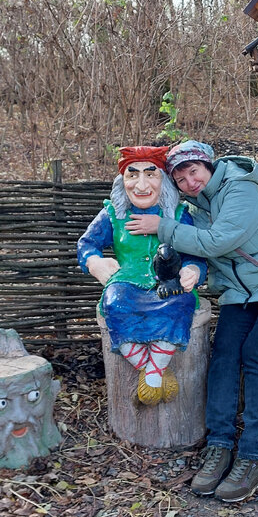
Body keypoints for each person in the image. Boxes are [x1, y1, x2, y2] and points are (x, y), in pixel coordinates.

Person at [127, 140, 258, 503]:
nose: (189, 182)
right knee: (222, 357)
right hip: (240, 293)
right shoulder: (197, 206)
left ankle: (253, 458)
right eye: (180, 178)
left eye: (193, 172)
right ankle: (220, 445)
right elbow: (194, 253)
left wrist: (161, 227)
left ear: (208, 166)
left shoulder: (241, 188)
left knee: (256, 354)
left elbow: (218, 242)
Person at [77, 146, 206, 405]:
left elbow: (195, 253)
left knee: (182, 302)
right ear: (122, 181)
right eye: (132, 175)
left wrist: (193, 270)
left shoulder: (179, 215)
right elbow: (87, 243)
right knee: (114, 304)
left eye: (151, 175)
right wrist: (94, 262)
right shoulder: (113, 214)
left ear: (164, 181)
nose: (141, 184)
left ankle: (152, 373)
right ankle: (155, 372)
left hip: (168, 282)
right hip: (126, 283)